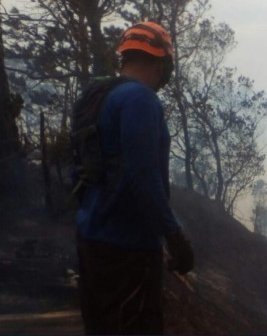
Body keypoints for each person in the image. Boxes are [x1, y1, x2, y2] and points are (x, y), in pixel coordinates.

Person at [72, 21, 194, 335]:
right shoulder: (141, 100)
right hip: (129, 247)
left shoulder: (97, 94)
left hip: (93, 236)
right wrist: (174, 236)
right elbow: (143, 176)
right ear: (161, 63)